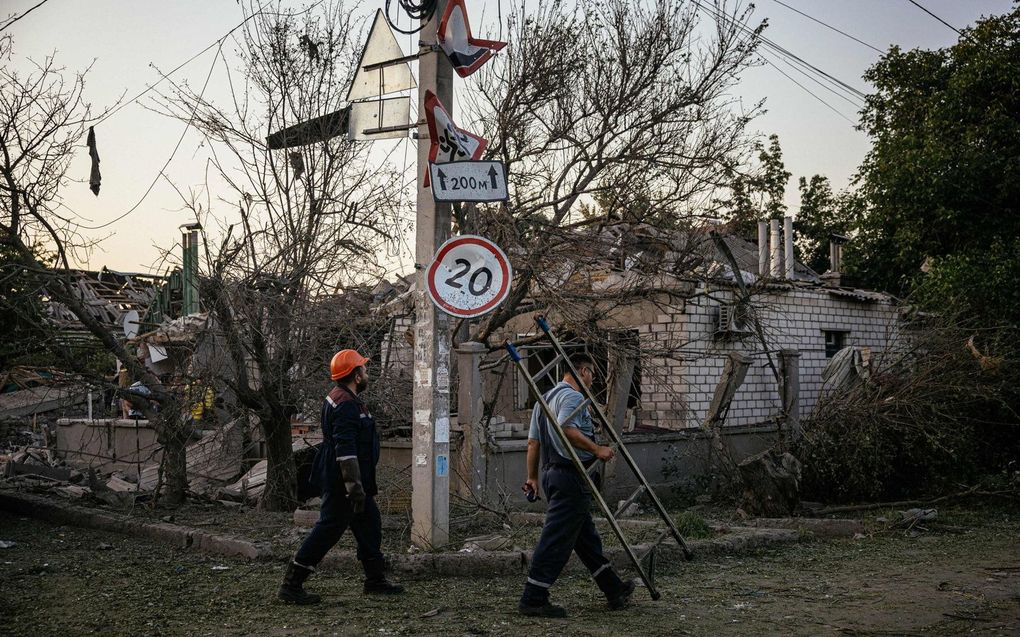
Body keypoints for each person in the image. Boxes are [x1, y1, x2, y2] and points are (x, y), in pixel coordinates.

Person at [278, 349, 404, 604]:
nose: (367, 372)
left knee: (370, 524)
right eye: (364, 369)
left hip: (354, 481)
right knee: (328, 529)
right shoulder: (346, 404)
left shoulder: (343, 398)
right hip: (344, 482)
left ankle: (375, 580)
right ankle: (291, 585)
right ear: (356, 376)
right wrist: (354, 488)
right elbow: (345, 451)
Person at [519, 354, 635, 617]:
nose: (592, 379)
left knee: (585, 538)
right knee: (556, 538)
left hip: (551, 473)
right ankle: (533, 598)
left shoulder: (543, 400)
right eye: (592, 373)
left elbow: (533, 443)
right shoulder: (573, 397)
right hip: (571, 475)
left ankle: (613, 588)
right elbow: (566, 428)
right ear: (583, 371)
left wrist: (533, 477)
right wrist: (597, 449)